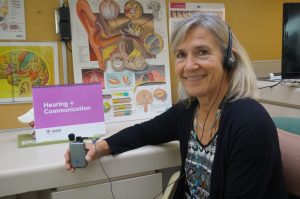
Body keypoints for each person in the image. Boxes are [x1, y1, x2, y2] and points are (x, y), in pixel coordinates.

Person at [65, 13, 288, 199]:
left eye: (202, 52)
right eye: (181, 55)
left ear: (229, 59)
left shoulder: (249, 122)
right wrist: (99, 147)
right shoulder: (190, 109)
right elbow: (145, 132)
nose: (189, 65)